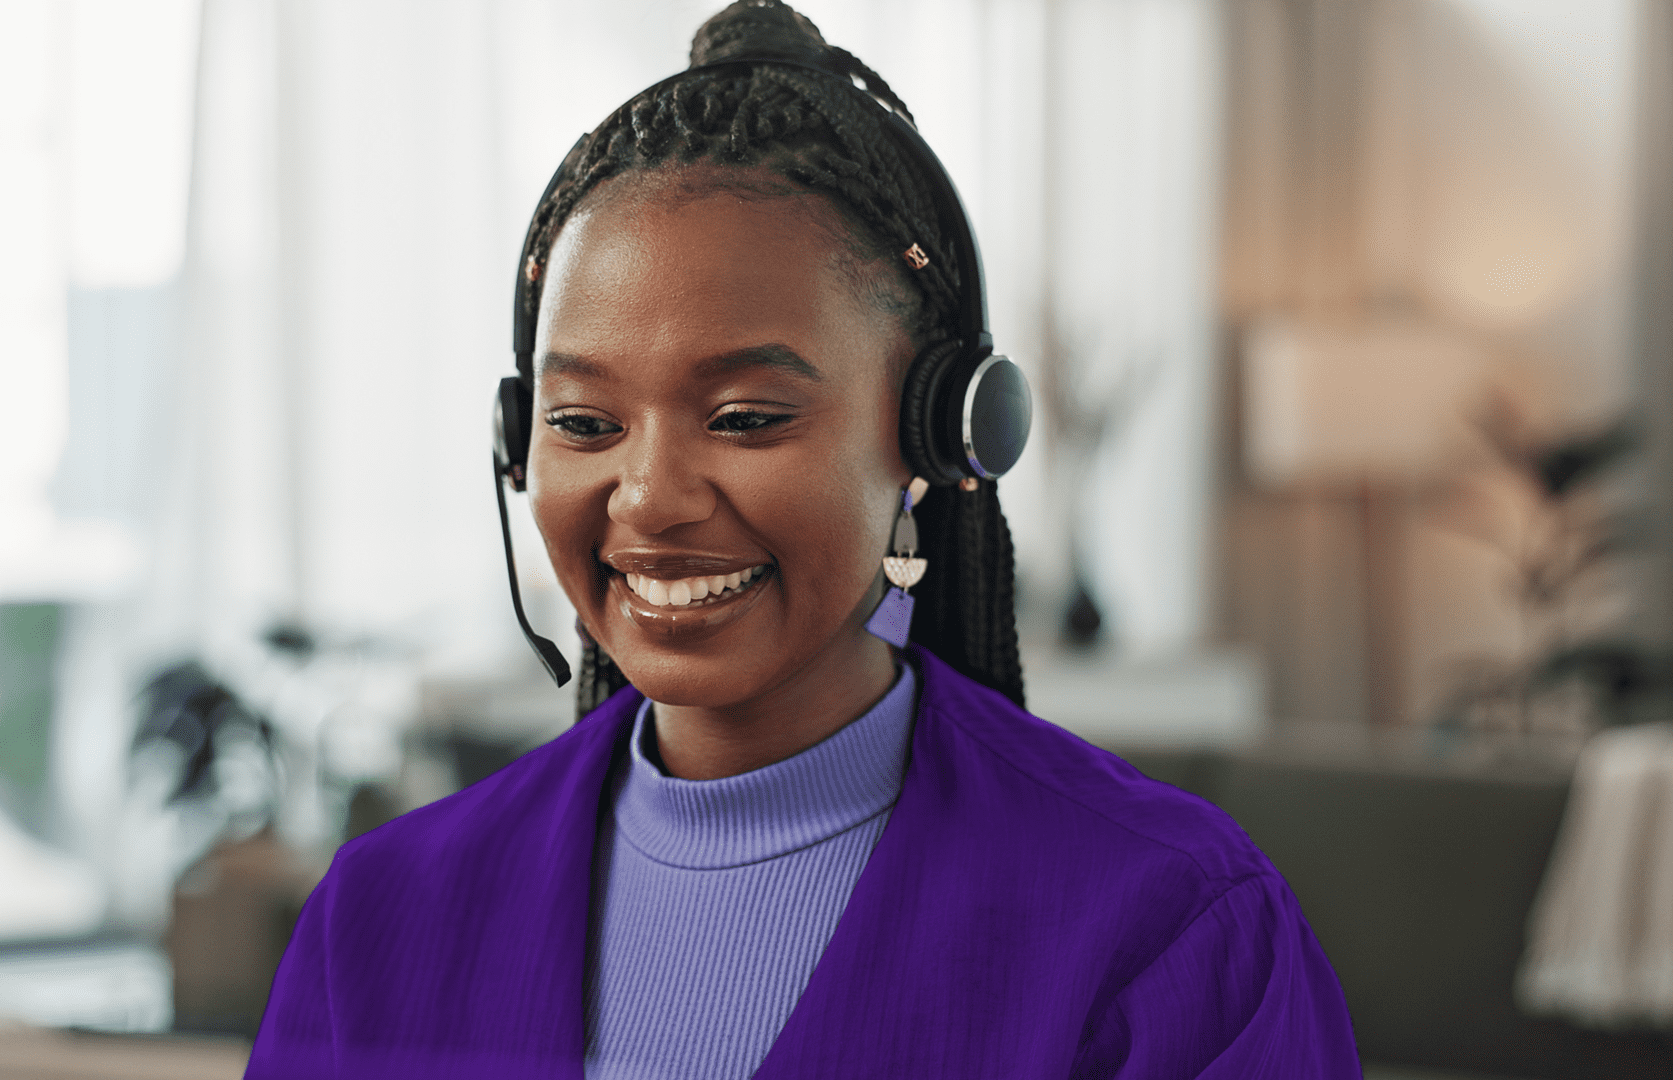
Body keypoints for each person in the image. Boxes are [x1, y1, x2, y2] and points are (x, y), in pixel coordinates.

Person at [247, 2, 1362, 1077]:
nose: (649, 499)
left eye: (744, 418)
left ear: (938, 432)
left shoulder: (1175, 926)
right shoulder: (381, 916)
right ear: (514, 440)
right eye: (584, 424)